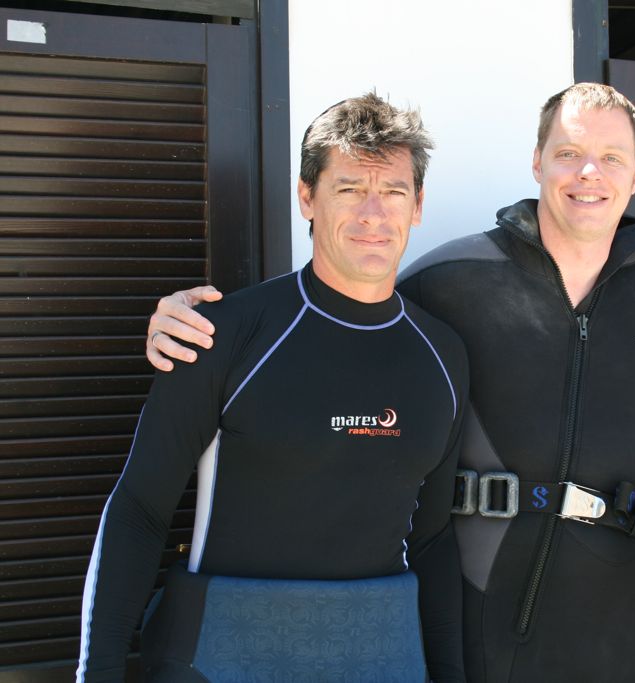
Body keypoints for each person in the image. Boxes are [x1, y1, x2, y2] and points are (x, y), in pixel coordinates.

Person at [144, 84, 635, 682]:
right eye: (568, 152)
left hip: (610, 610)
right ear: (537, 161)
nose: (587, 172)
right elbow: (340, 301)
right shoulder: (452, 275)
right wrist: (191, 318)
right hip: (477, 595)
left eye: (610, 158)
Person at [76, 94, 469, 683]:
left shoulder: (443, 355)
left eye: (392, 191)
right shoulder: (222, 334)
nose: (373, 213)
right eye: (348, 189)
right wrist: (99, 671)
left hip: (378, 653)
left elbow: (434, 540)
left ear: (417, 206)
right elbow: (139, 510)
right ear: (307, 196)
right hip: (223, 653)